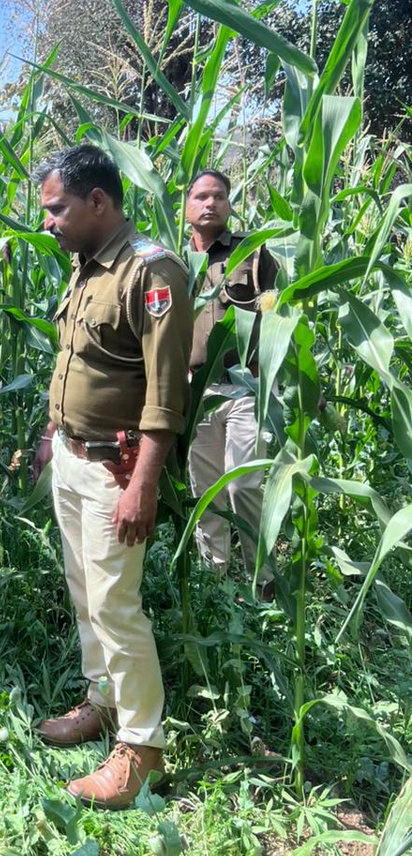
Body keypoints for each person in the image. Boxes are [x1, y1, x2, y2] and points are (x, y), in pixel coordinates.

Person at [32, 144, 192, 809]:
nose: (48, 223)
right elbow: (74, 361)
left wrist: (143, 486)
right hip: (73, 455)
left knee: (116, 606)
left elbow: (164, 396)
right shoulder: (86, 268)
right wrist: (50, 435)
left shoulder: (150, 272)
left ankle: (141, 748)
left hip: (114, 467)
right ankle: (100, 701)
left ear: (99, 202)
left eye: (57, 209)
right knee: (84, 592)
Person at [184, 170, 279, 589]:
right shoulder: (172, 264)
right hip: (197, 392)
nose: (210, 203)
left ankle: (262, 581)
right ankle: (216, 587)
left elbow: (283, 316)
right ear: (187, 206)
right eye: (202, 196)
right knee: (206, 494)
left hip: (247, 387)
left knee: (244, 487)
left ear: (229, 204)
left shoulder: (253, 255)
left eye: (219, 196)